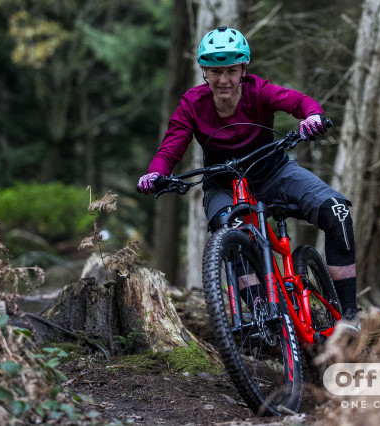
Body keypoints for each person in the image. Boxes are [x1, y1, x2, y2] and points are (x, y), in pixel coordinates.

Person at [138, 26, 360, 331]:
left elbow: (297, 102)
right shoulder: (193, 103)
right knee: (231, 229)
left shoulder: (259, 91)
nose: (224, 79)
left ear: (244, 69)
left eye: (231, 70)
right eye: (215, 71)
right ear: (204, 71)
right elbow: (171, 146)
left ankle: (349, 315)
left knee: (337, 210)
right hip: (222, 185)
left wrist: (313, 116)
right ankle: (261, 315)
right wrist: (156, 174)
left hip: (275, 172)